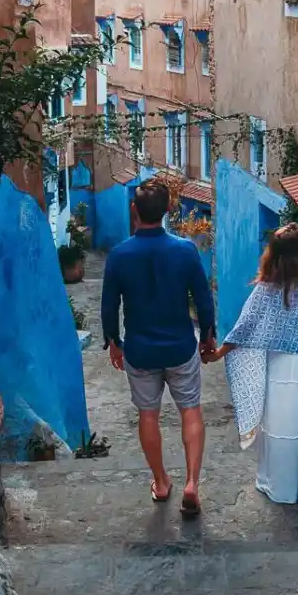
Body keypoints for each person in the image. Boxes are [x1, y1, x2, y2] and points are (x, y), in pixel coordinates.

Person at [207, 223, 298, 504]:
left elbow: (245, 326)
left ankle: (280, 487)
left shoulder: (266, 288)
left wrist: (221, 351)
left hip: (280, 368)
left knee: (282, 428)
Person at [101, 179, 215, 516]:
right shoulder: (185, 250)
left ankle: (161, 482)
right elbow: (203, 299)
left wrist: (113, 342)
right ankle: (192, 483)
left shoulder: (119, 256)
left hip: (141, 350)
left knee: (148, 414)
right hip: (180, 346)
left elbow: (109, 307)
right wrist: (208, 335)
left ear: (134, 211)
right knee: (190, 409)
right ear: (168, 210)